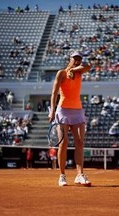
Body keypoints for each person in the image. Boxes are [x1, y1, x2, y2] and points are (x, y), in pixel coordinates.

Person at [48, 51, 92, 186]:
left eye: (79, 58)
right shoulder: (61, 73)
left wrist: (74, 69)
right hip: (63, 111)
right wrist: (52, 111)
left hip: (77, 111)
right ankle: (62, 176)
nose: (77, 60)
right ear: (70, 58)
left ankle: (80, 175)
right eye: (75, 58)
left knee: (79, 142)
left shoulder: (79, 72)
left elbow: (88, 66)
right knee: (63, 143)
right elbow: (54, 93)